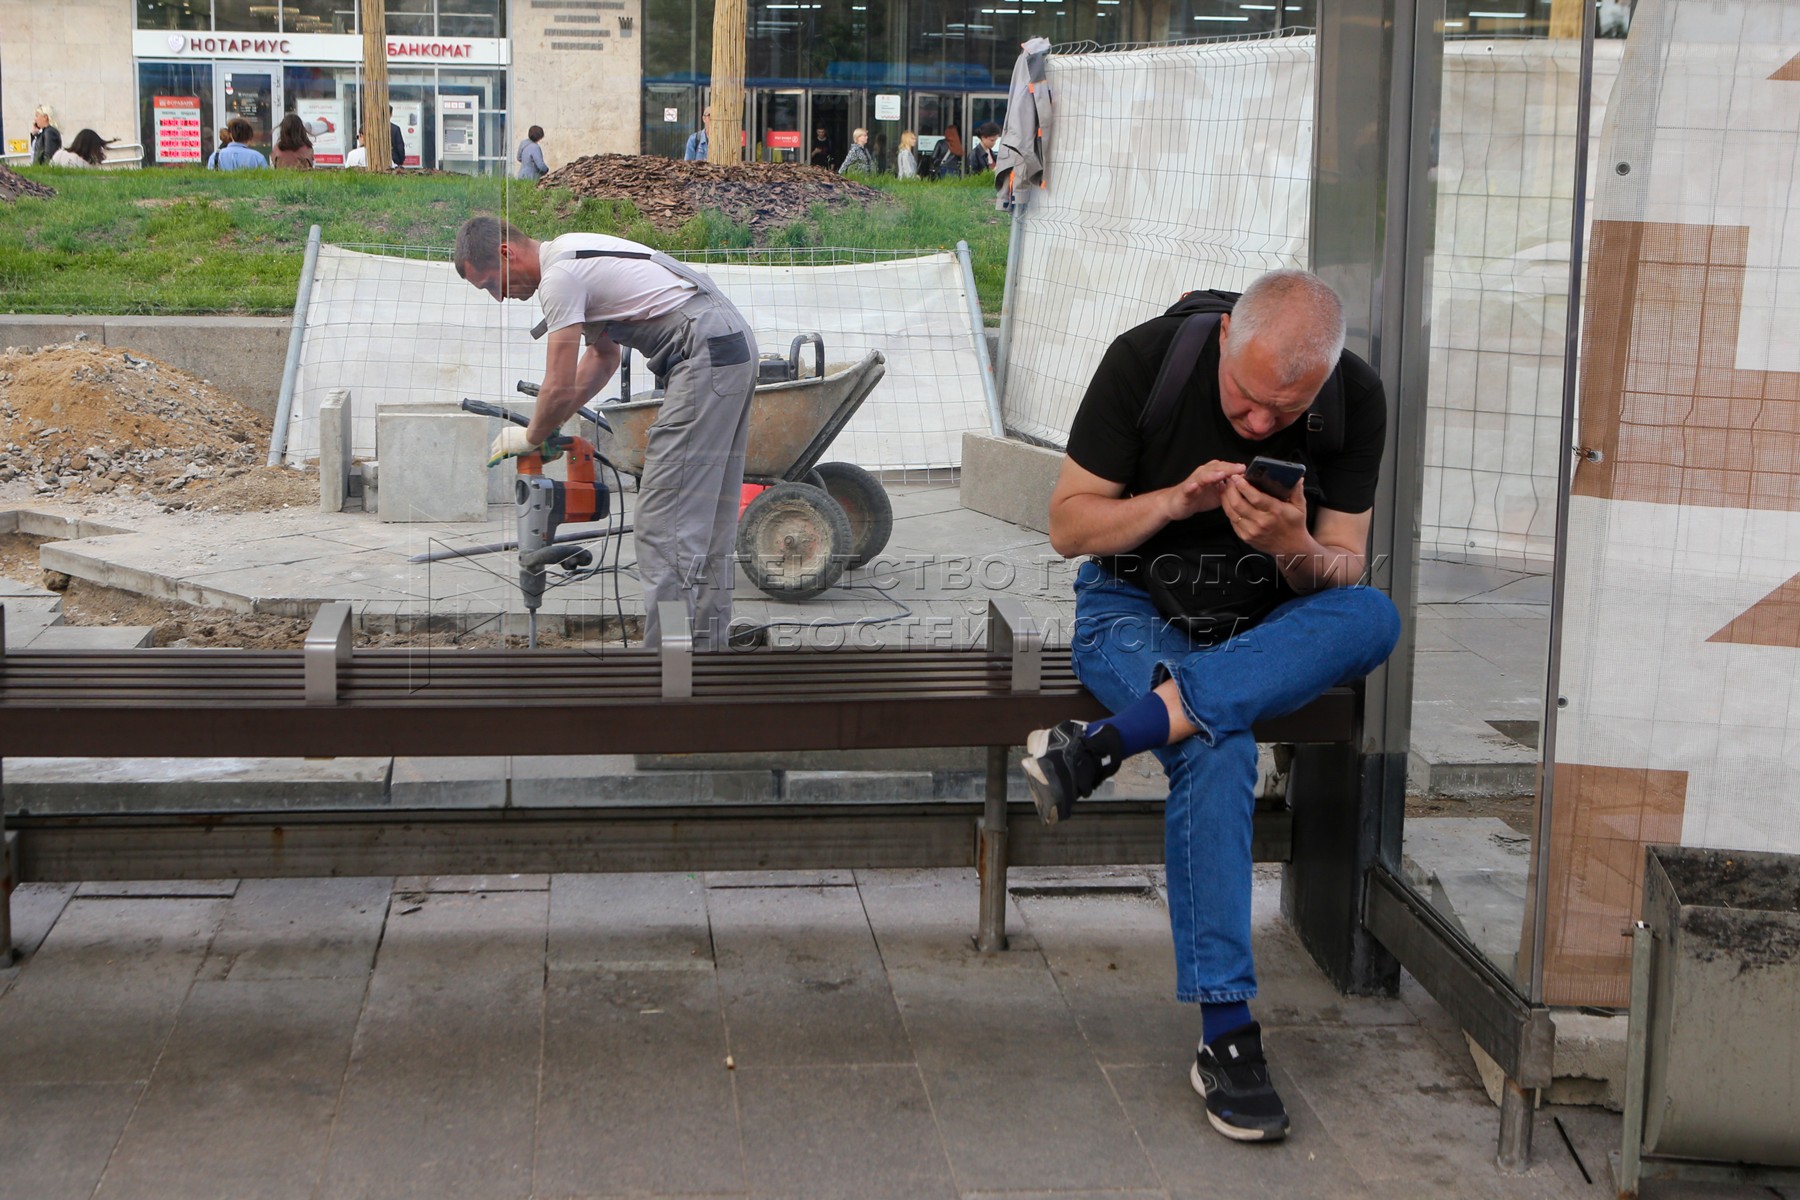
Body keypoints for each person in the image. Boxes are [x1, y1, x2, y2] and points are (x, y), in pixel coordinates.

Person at [1021, 269, 1399, 1144]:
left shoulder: (1356, 399)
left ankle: (1107, 743)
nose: (1262, 423)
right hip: (1132, 610)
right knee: (1217, 745)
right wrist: (1173, 502)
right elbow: (1070, 527)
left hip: (1266, 621)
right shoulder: (1144, 359)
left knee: (1373, 613)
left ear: (1325, 377)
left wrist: (1292, 544)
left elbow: (1342, 566)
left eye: (1286, 410)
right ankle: (1227, 1033)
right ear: (1227, 337)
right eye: (1247, 399)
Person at [453, 217, 758, 650]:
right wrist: (554, 422)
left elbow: (557, 382)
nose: (499, 297)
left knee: (662, 522)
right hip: (727, 344)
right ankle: (707, 655)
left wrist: (532, 435)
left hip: (702, 351)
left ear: (506, 253)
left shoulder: (558, 278)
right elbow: (603, 358)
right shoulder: (570, 253)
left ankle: (667, 667)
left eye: (490, 284)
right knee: (709, 517)